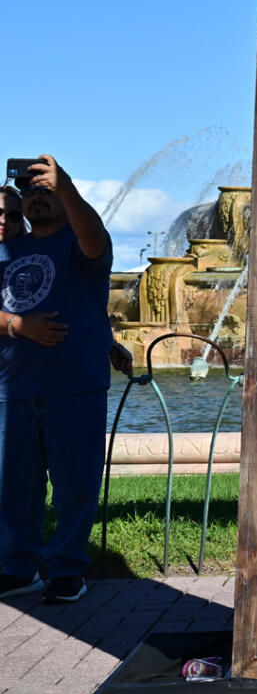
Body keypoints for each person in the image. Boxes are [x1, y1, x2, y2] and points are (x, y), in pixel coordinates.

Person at [1, 157, 117, 602]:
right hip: (12, 389)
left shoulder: (80, 240)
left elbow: (94, 237)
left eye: (45, 189)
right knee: (13, 488)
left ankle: (67, 569)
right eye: (29, 191)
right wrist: (17, 325)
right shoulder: (8, 247)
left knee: (74, 485)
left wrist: (65, 184)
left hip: (75, 386)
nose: (36, 196)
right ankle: (18, 567)